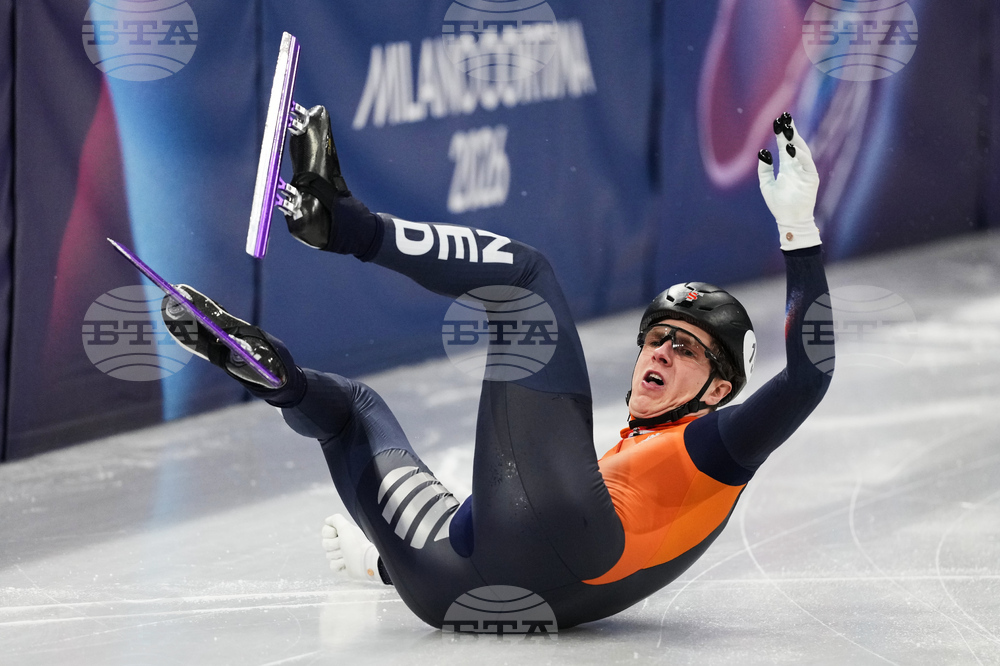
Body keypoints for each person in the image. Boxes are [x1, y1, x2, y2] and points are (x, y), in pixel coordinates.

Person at [163, 109, 832, 630]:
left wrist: (798, 229)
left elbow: (808, 378)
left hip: (541, 548)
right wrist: (385, 565)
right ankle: (278, 380)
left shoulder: (717, 446)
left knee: (525, 281)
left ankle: (346, 227)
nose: (659, 353)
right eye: (657, 338)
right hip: (449, 587)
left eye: (686, 349)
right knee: (347, 412)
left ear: (720, 390)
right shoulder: (634, 457)